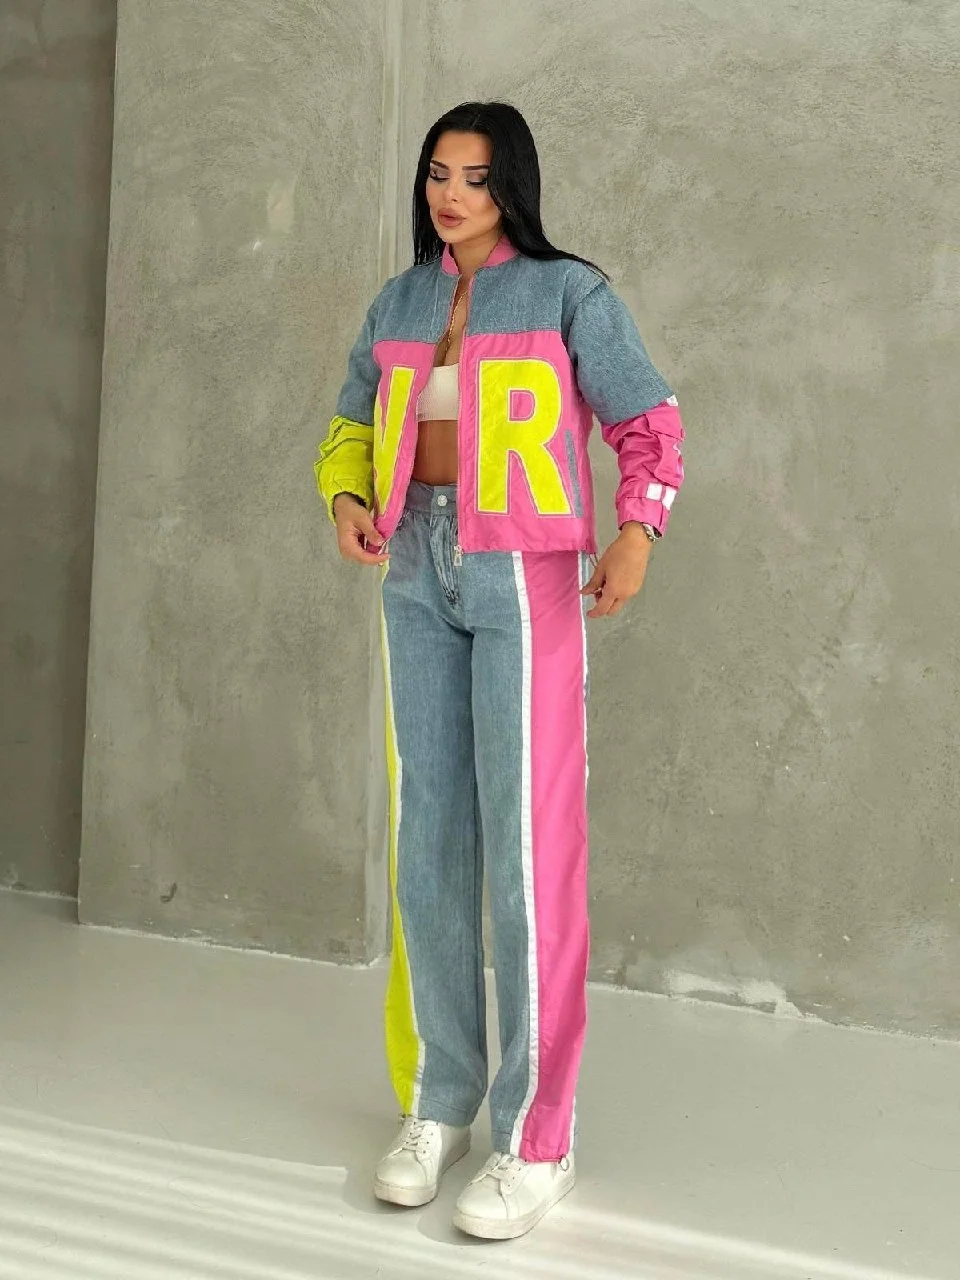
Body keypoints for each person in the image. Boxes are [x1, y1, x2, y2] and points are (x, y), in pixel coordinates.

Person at [315, 101, 685, 1240]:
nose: (451, 194)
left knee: (527, 848)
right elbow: (348, 421)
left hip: (525, 575)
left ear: (509, 183)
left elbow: (650, 418)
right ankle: (440, 1101)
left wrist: (637, 531)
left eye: (474, 176)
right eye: (438, 172)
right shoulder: (400, 302)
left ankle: (538, 1136)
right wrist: (346, 496)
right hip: (413, 569)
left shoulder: (569, 293)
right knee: (429, 841)